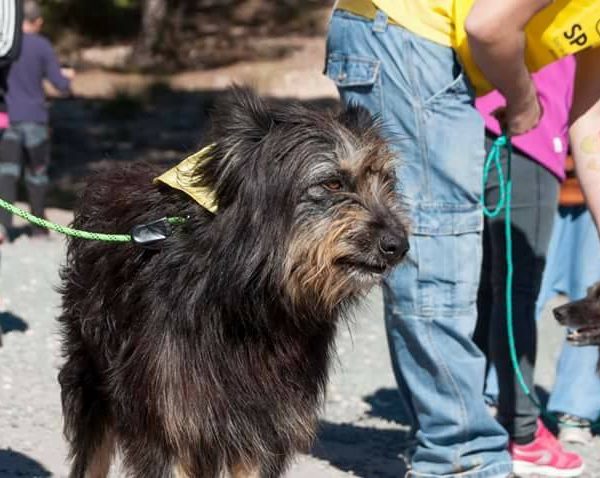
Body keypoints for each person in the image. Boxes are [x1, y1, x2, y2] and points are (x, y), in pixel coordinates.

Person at [325, 1, 600, 477]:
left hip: (421, 45)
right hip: (406, 35)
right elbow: (488, 27)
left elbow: (592, 128)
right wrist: (522, 100)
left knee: (433, 251)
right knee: (439, 251)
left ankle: (446, 441)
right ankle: (461, 458)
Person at [474, 56, 583, 475]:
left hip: (480, 123)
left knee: (485, 287)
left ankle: (467, 418)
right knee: (515, 289)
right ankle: (522, 433)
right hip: (527, 139)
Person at [537, 161, 600, 445]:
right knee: (521, 295)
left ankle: (577, 409)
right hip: (539, 175)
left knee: (590, 304)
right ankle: (496, 397)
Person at [0, 0, 74, 238]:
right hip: (35, 119)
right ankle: (38, 226)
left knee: (7, 173)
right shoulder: (42, 46)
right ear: (38, 21)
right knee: (37, 175)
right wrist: (67, 76)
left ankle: (2, 226)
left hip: (8, 118)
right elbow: (59, 85)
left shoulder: (5, 45)